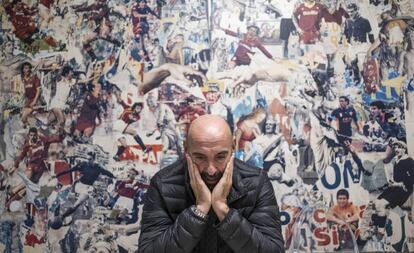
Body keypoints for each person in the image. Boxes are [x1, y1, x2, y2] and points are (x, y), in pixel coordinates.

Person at [138, 114, 284, 253]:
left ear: (233, 147)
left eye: (220, 157)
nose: (211, 170)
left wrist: (223, 210)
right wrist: (199, 210)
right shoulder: (163, 184)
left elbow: (273, 250)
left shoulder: (257, 182)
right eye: (200, 157)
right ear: (186, 149)